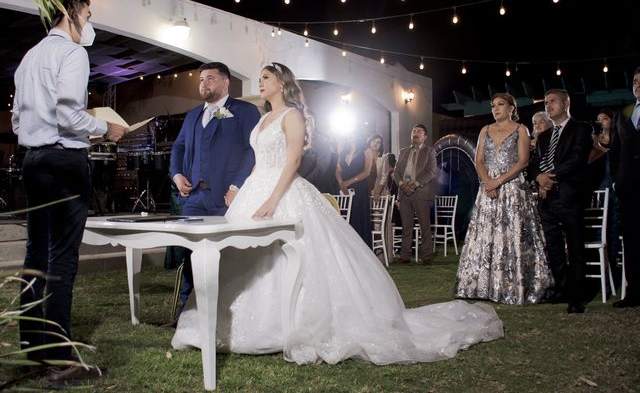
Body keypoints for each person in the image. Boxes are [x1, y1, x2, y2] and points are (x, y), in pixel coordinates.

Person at [171, 62, 503, 364]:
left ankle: (291, 324)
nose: (260, 82)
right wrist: (245, 191)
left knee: (292, 257)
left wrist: (273, 199)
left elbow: (293, 162)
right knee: (246, 258)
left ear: (282, 82)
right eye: (258, 78)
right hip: (254, 188)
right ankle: (232, 324)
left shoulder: (292, 116)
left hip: (282, 191)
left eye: (266, 78)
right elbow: (256, 160)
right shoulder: (262, 120)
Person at [12, 0, 127, 383]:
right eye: (89, 15)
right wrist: (105, 129)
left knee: (35, 255)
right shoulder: (73, 54)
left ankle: (34, 347)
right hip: (63, 162)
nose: (90, 23)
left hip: (33, 160)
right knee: (62, 257)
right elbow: (67, 111)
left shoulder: (28, 58)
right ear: (70, 14)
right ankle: (62, 357)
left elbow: (16, 120)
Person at [168, 62, 260, 323]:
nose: (204, 84)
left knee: (228, 258)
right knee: (190, 255)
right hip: (195, 199)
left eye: (210, 78)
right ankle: (186, 316)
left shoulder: (245, 111)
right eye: (200, 80)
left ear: (226, 82)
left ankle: (228, 316)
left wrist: (236, 187)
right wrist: (177, 176)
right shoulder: (192, 115)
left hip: (227, 198)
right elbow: (178, 149)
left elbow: (251, 151)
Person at [455, 93, 554, 305]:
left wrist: (497, 182)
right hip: (488, 190)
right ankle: (482, 286)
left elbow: (523, 162)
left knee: (513, 234)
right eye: (493, 105)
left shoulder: (521, 130)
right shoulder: (485, 130)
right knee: (486, 235)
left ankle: (513, 286)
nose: (495, 108)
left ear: (511, 108)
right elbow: (478, 160)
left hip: (512, 189)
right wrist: (487, 182)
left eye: (500, 104)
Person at [529, 88, 593, 314]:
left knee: (575, 247)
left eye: (552, 101)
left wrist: (549, 178)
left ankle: (577, 297)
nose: (548, 105)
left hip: (570, 196)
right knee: (553, 247)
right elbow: (534, 162)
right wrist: (538, 177)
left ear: (566, 103)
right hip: (547, 201)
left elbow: (577, 159)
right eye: (546, 102)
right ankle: (563, 288)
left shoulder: (582, 128)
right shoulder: (544, 135)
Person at [609, 66, 640, 308]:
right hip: (629, 187)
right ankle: (634, 292)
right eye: (635, 81)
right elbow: (616, 151)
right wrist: (618, 179)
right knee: (631, 239)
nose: (638, 85)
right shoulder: (624, 113)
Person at [393, 124, 439, 265]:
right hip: (404, 192)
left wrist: (416, 184)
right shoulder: (403, 152)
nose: (415, 133)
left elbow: (431, 172)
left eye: (419, 131)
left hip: (421, 192)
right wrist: (402, 185)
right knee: (407, 227)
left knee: (425, 226)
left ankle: (426, 256)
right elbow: (396, 172)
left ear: (424, 137)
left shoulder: (430, 151)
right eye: (413, 131)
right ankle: (405, 256)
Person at [587, 108, 620, 287]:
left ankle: (611, 277)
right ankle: (599, 278)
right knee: (598, 233)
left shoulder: (618, 142)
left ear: (612, 121)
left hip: (613, 194)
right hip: (596, 195)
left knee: (611, 234)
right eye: (598, 119)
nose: (601, 122)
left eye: (605, 119)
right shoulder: (593, 144)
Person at [335, 132, 373, 248]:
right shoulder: (342, 151)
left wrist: (349, 182)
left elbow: (367, 172)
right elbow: (337, 169)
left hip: (360, 189)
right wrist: (341, 183)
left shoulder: (366, 151)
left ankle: (362, 250)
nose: (351, 135)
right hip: (344, 189)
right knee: (346, 218)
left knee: (359, 218)